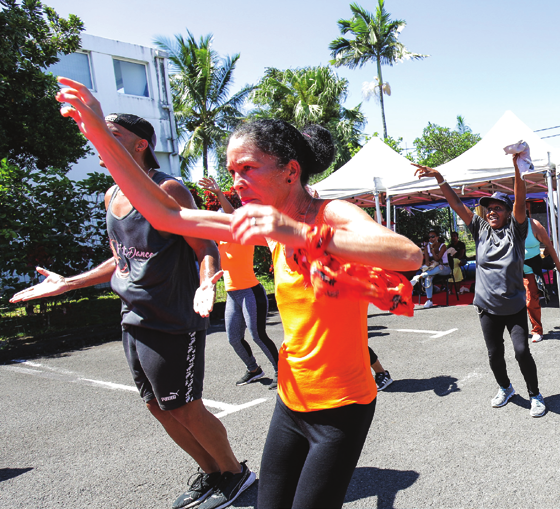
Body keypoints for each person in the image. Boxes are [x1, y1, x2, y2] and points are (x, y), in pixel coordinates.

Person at [54, 78, 422, 508]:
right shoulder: (264, 223)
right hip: (291, 400)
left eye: (247, 168)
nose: (237, 181)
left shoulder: (329, 214)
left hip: (342, 407)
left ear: (290, 170)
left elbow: (407, 254)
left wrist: (300, 233)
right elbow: (166, 213)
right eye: (232, 172)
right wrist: (98, 131)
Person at [11, 108, 253, 509]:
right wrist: (70, 282)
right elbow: (122, 260)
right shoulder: (112, 194)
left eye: (113, 134)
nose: (102, 142)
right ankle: (211, 474)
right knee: (159, 408)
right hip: (133, 317)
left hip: (174, 317)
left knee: (187, 408)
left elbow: (204, 246)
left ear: (141, 144)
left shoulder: (169, 189)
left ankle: (235, 474)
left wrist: (208, 280)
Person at [414, 157, 548, 418]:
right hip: (487, 307)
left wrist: (517, 172)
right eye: (489, 208)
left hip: (513, 305)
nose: (492, 212)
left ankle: (535, 394)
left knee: (522, 351)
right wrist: (439, 177)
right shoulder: (480, 229)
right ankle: (505, 388)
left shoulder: (516, 232)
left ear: (508, 213)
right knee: (494, 354)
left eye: (499, 208)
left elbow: (520, 202)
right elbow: (456, 205)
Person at [199, 176, 280, 389]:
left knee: (257, 335)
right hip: (233, 295)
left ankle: (281, 371)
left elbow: (233, 215)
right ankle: (254, 369)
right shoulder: (218, 242)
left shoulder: (243, 236)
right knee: (234, 338)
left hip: (251, 292)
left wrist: (218, 194)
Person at [522, 200, 560, 343]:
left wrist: (558, 264)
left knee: (531, 300)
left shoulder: (535, 225)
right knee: (512, 302)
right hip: (512, 270)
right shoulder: (507, 226)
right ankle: (517, 329)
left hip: (530, 269)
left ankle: (537, 330)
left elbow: (549, 245)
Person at [410, 229, 450, 309]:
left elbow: (438, 259)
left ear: (437, 237)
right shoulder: (426, 247)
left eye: (433, 236)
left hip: (444, 268)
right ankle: (429, 300)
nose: (431, 239)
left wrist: (432, 250)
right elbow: (427, 261)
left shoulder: (443, 246)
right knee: (428, 278)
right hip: (432, 270)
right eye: (429, 237)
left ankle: (420, 276)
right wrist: (428, 263)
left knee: (440, 267)